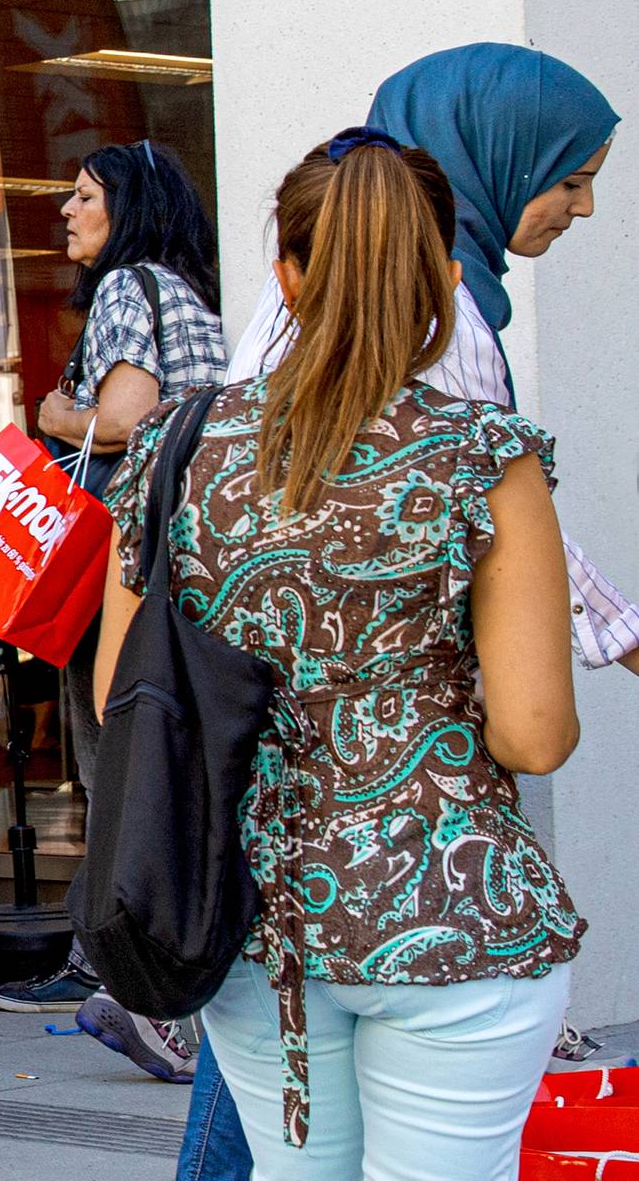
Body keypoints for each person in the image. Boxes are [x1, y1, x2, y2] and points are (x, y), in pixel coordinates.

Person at [94, 129, 582, 1179]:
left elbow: (116, 692)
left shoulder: (181, 448)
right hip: (454, 908)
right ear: (446, 277)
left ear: (286, 277)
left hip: (254, 917)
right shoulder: (485, 459)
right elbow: (535, 735)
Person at [226, 43, 634, 676]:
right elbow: (496, 508)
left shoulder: (298, 292)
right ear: (499, 160)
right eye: (571, 182)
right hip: (401, 700)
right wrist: (625, 638)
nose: (583, 208)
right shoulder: (438, 311)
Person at [0, 139, 226, 1025]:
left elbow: (123, 421)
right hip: (188, 556)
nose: (66, 211)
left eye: (84, 196)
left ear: (126, 209)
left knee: (109, 759)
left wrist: (56, 413)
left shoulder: (132, 287)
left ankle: (107, 959)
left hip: (119, 560)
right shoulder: (194, 295)